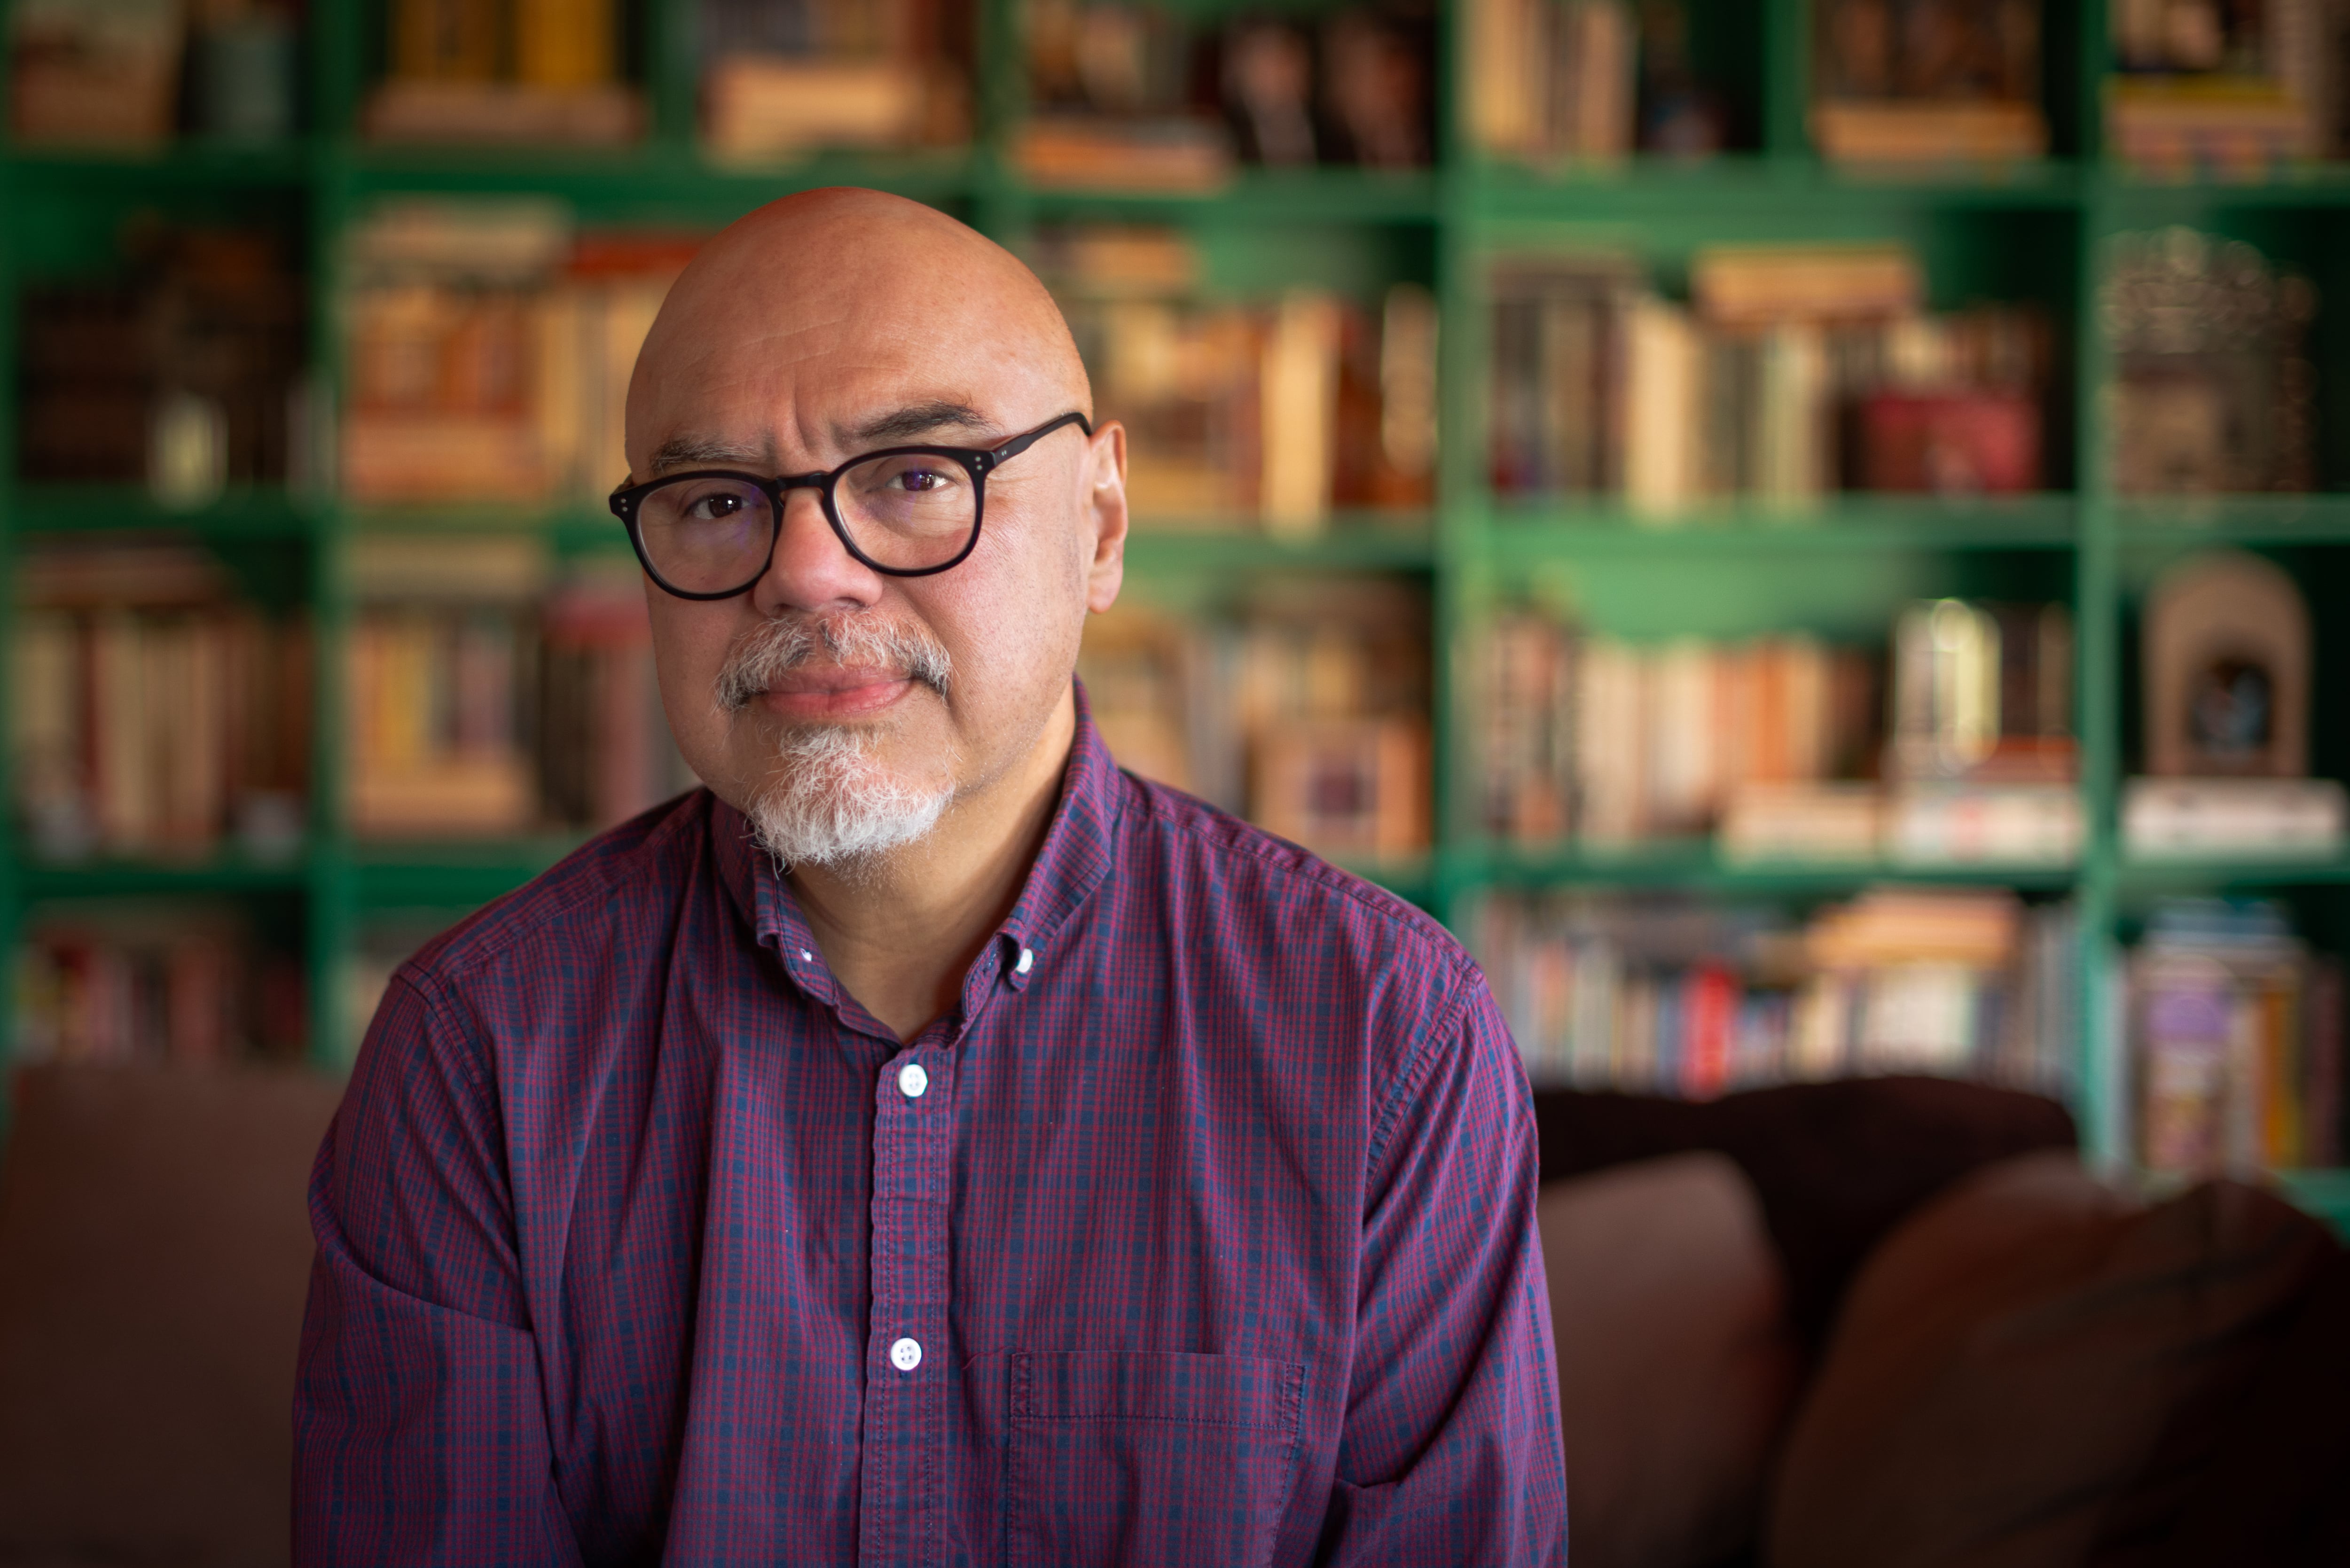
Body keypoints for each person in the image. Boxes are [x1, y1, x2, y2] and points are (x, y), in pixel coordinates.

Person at [293, 188, 1565, 1565]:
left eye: (913, 477)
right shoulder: (476, 1057)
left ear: (1101, 523)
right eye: (718, 500)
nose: (810, 572)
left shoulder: (1386, 1040)